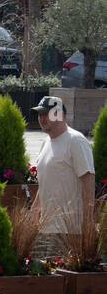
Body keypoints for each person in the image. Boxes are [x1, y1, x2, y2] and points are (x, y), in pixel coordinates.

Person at [31, 96, 95, 255]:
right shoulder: (46, 143)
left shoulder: (75, 141)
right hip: (45, 228)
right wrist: (34, 210)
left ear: (59, 115)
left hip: (68, 231)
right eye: (40, 114)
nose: (42, 118)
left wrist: (88, 221)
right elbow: (45, 182)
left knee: (60, 278)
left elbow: (88, 180)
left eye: (47, 114)